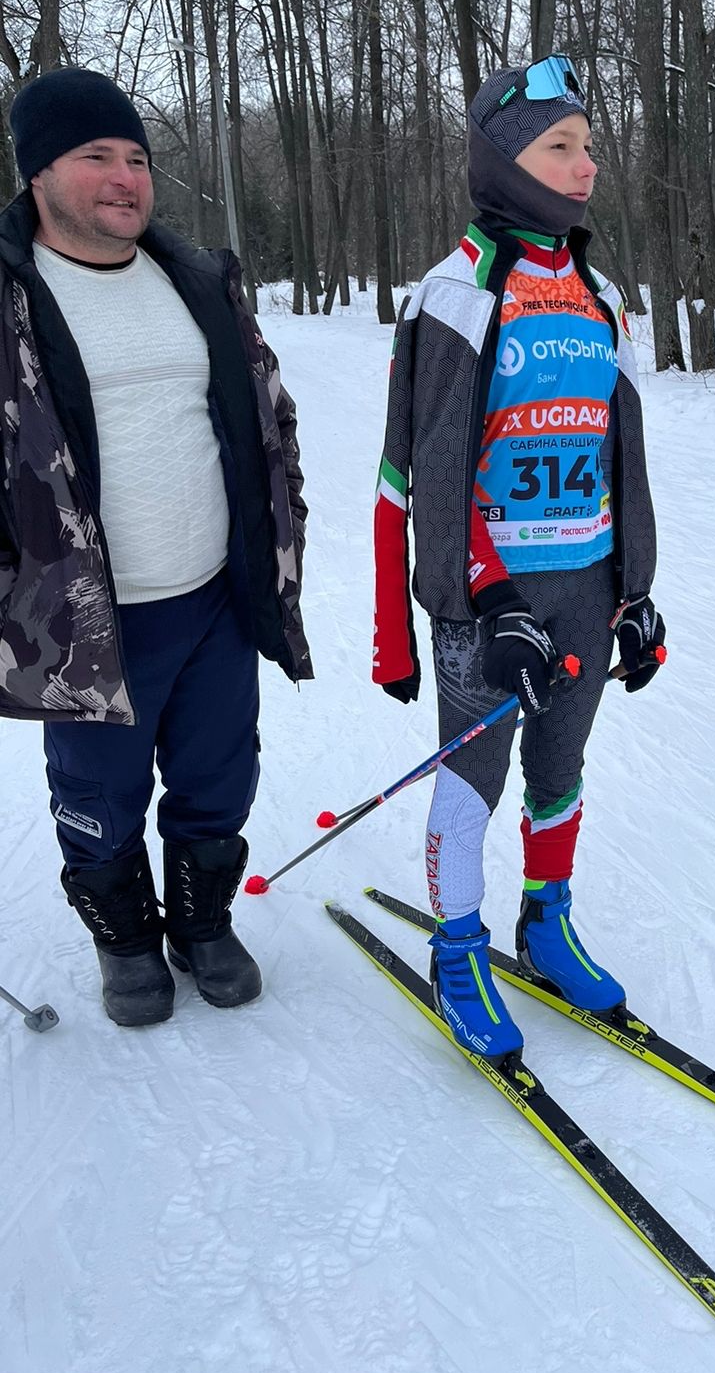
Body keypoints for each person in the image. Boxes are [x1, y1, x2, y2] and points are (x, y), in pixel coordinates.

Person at [1, 68, 311, 1026]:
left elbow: (266, 415)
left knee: (222, 772)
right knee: (99, 793)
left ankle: (202, 922)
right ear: (39, 173)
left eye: (136, 158)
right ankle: (126, 943)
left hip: (216, 591)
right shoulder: (9, 299)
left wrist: (282, 523)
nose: (125, 177)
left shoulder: (195, 278)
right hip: (85, 617)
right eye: (96, 155)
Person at [372, 55, 664, 1060]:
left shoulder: (600, 292)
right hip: (490, 593)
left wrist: (637, 589)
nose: (586, 165)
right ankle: (459, 949)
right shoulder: (453, 295)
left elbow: (619, 452)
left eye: (588, 145)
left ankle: (546, 923)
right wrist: (479, 600)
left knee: (561, 763)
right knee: (475, 775)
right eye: (560, 146)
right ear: (502, 159)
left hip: (585, 580)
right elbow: (422, 478)